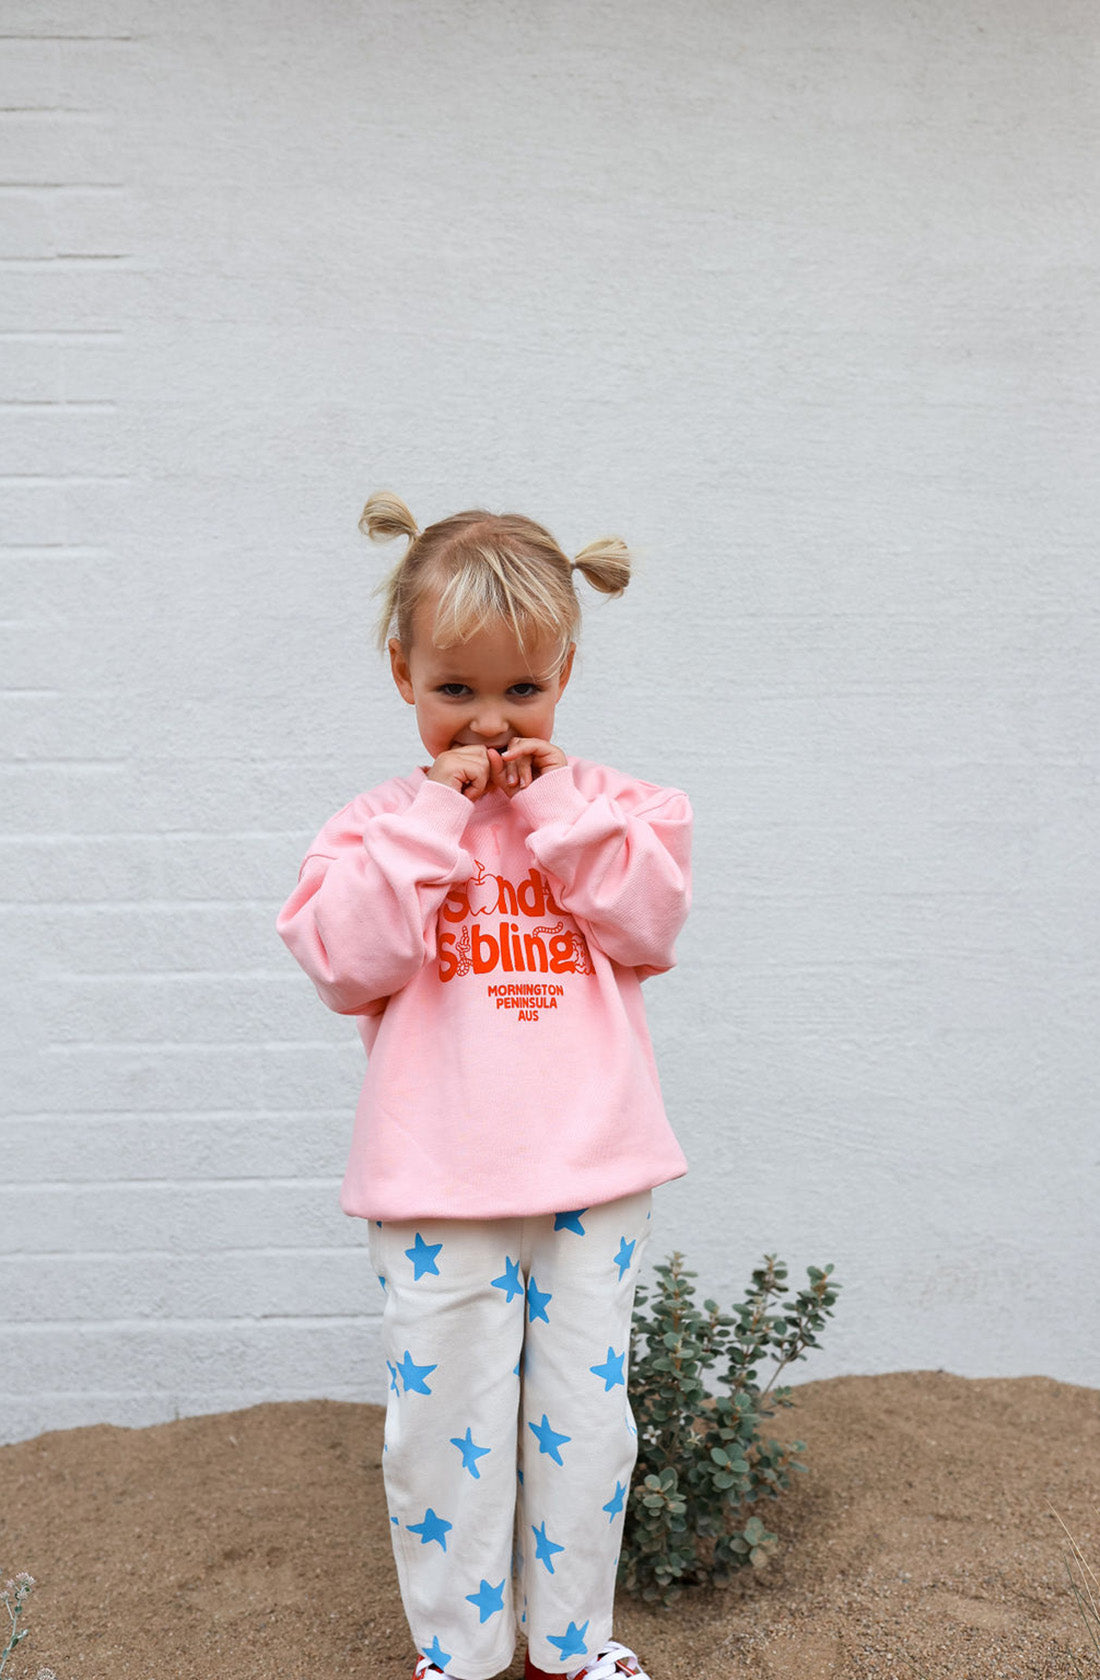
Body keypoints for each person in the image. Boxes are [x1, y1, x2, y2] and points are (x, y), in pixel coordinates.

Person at [275, 491, 693, 1680]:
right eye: (456, 690)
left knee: (582, 1432)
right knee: (443, 1435)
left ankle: (568, 1651)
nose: (490, 722)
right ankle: (458, 1657)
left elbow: (646, 926)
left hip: (591, 1176)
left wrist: (554, 807)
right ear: (400, 671)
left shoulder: (623, 813)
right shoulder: (371, 829)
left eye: (522, 691)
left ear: (562, 669)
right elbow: (347, 963)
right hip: (434, 1185)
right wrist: (430, 822)